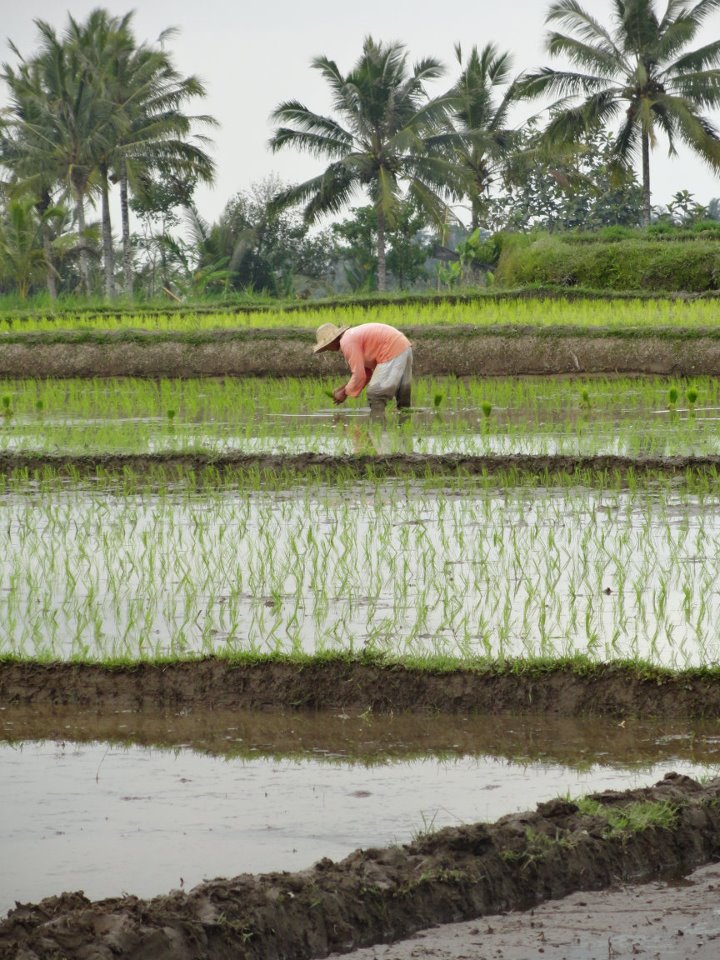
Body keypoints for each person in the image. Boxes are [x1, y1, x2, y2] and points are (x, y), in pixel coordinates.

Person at [312, 321, 413, 416]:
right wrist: (344, 389)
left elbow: (359, 374)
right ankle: (405, 424)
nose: (328, 350)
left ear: (332, 341)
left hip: (392, 349)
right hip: (403, 346)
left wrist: (344, 393)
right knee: (403, 396)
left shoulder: (347, 342)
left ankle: (377, 428)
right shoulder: (351, 337)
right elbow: (366, 374)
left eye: (326, 347)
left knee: (376, 394)